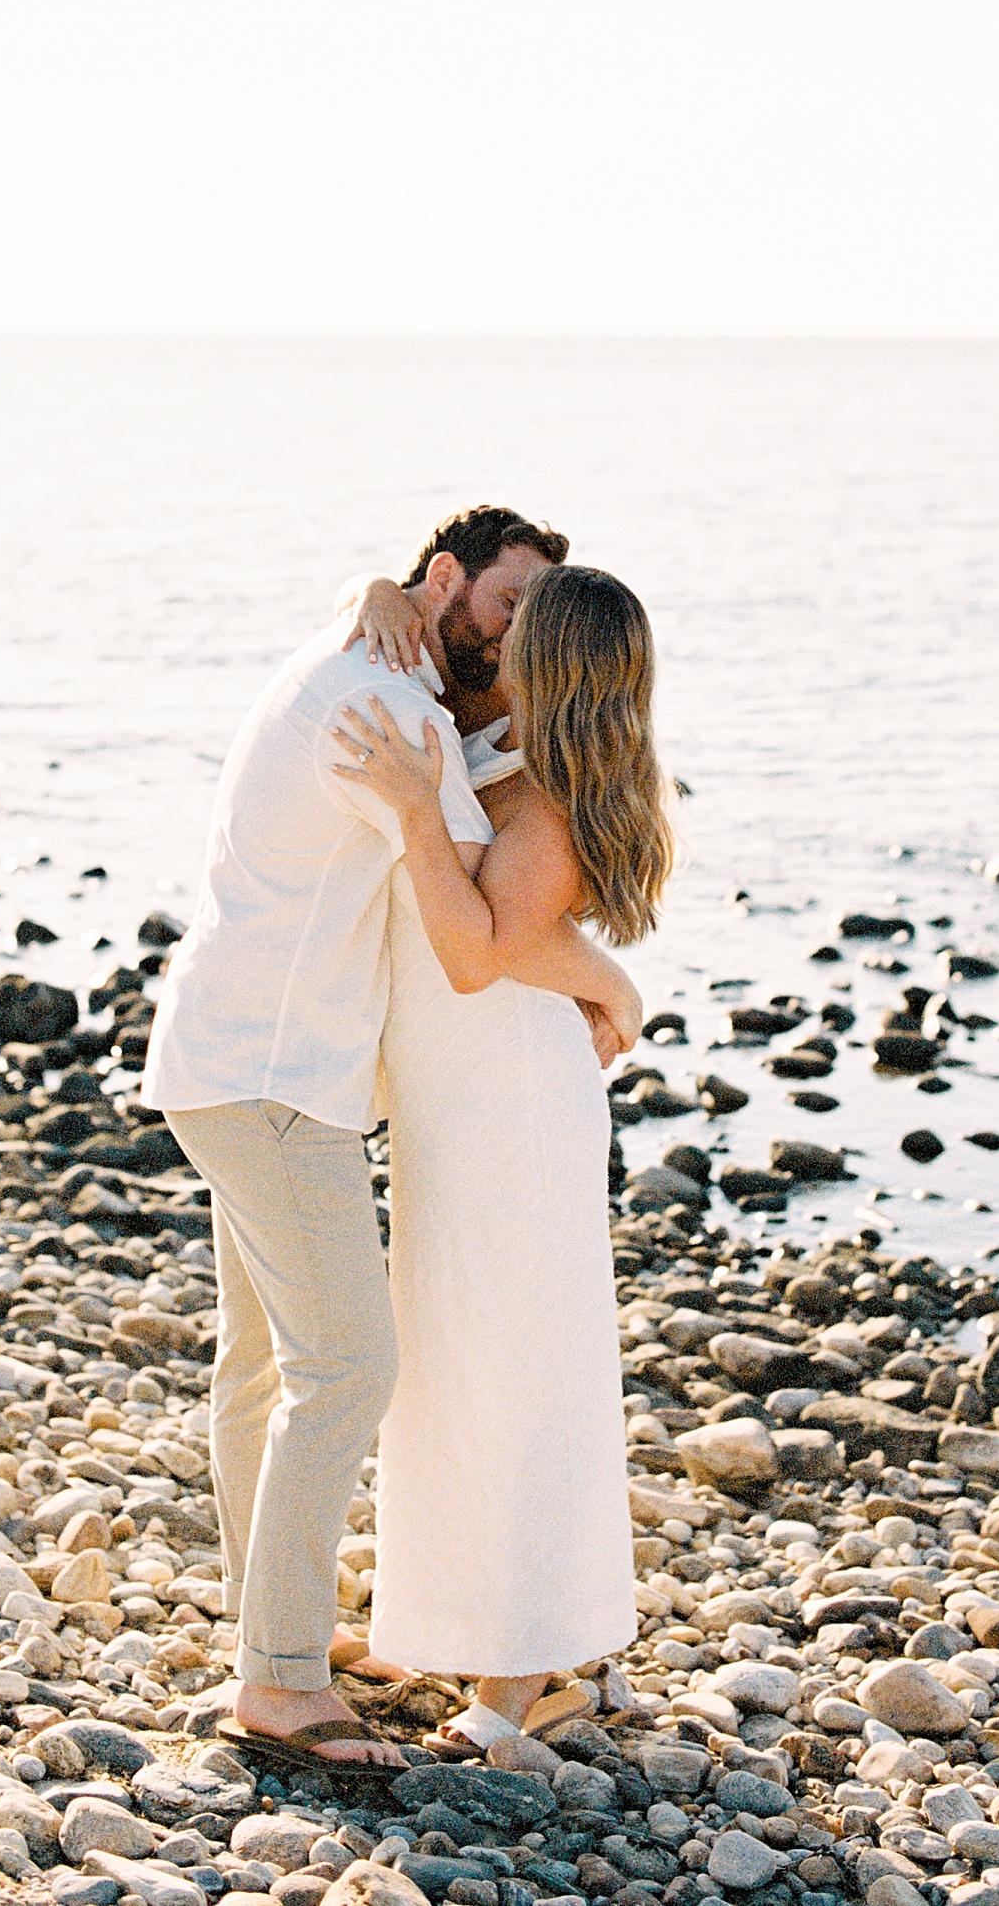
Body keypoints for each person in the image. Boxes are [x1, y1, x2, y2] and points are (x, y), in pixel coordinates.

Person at [142, 509, 642, 1776]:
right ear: (441, 584)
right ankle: (283, 1674)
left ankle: (280, 1636)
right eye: (512, 601)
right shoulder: (408, 720)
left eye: (541, 615)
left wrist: (373, 592)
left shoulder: (357, 664)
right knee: (350, 1367)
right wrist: (612, 988)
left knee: (264, 1365)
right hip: (273, 1076)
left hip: (239, 1054)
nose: (521, 628)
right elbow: (486, 932)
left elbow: (489, 909)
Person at [331, 561, 675, 1755]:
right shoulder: (505, 750)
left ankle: (525, 1675)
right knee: (449, 1364)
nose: (500, 628)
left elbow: (478, 952)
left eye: (524, 621)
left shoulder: (553, 802)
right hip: (460, 1103)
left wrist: (418, 810)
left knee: (521, 1373)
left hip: (516, 1112)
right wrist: (380, 587)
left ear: (559, 659)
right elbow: (399, 624)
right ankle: (450, 1617)